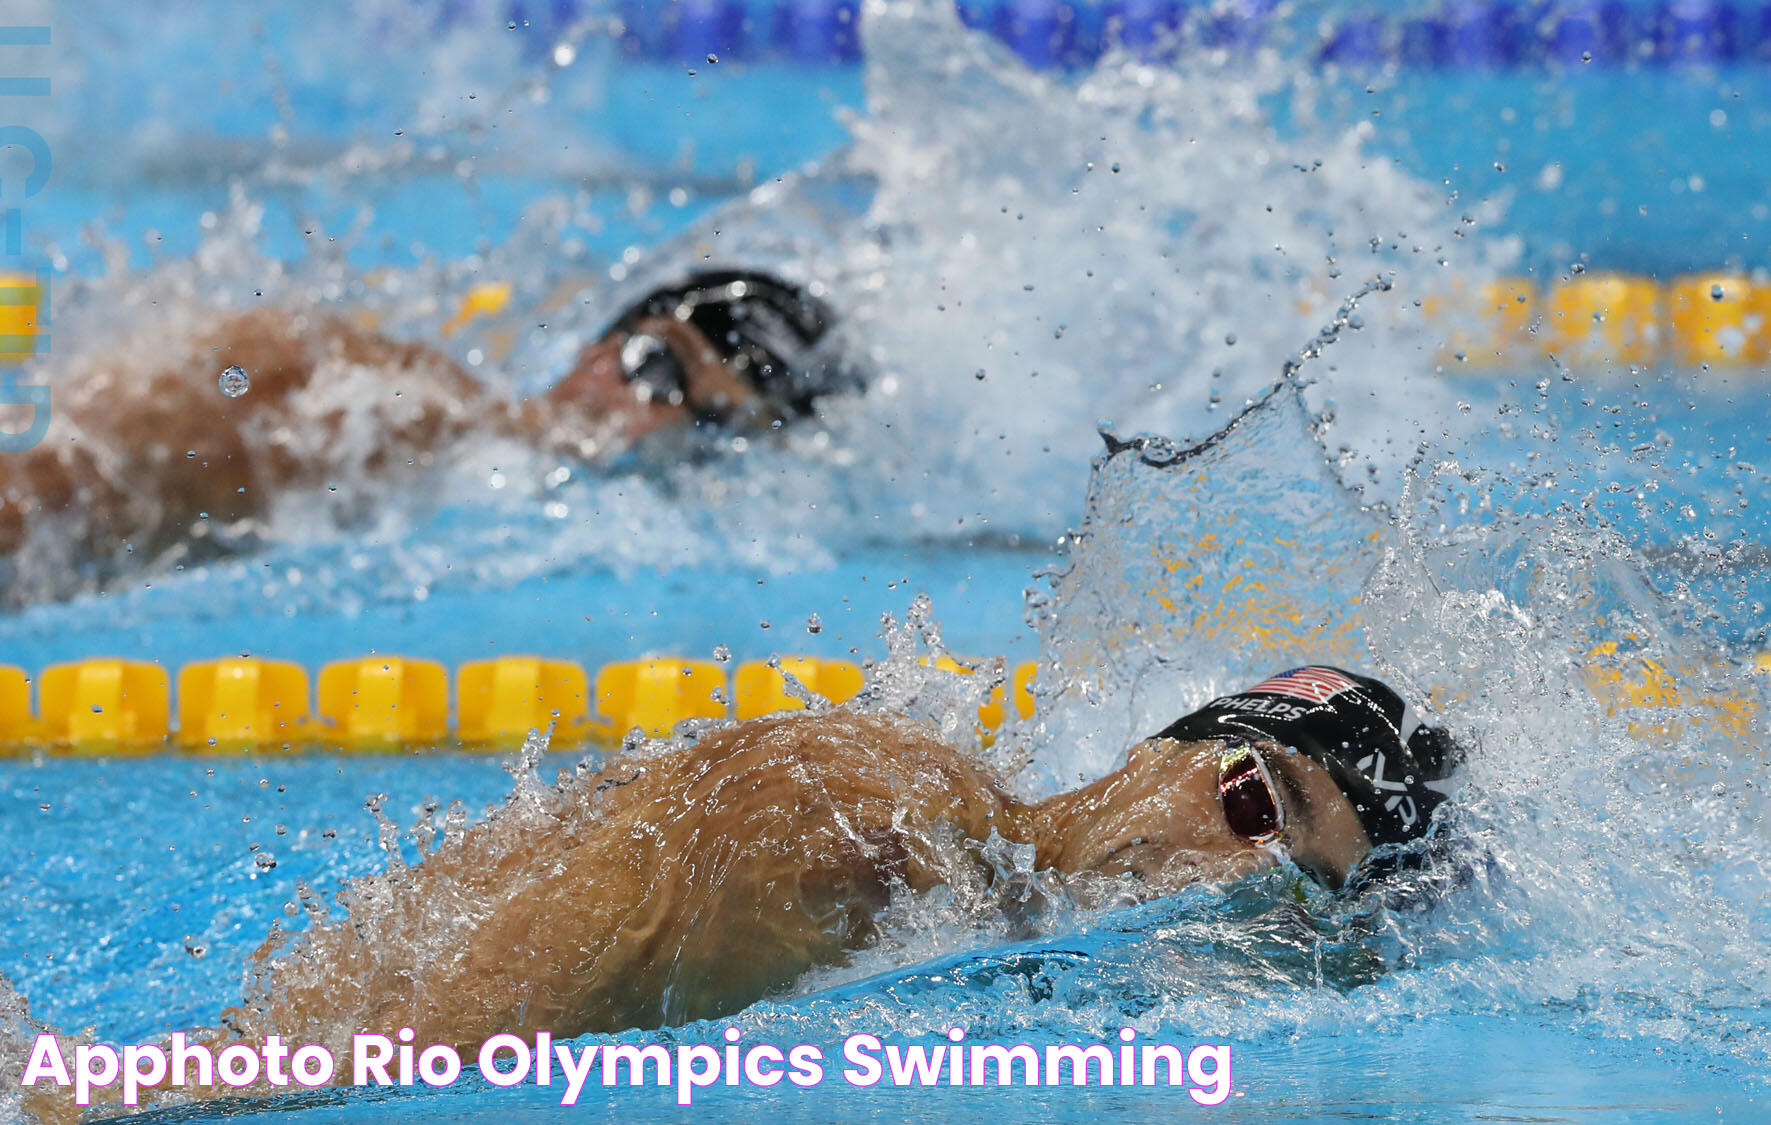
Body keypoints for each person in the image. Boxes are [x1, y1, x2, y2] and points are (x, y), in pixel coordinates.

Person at [15, 664, 1461, 1120]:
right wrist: (82, 1093)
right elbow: (413, 1052)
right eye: (1246, 799)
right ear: (1164, 748)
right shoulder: (862, 828)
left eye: (1276, 886)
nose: (1211, 868)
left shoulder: (974, 911)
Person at [0, 269, 858, 600]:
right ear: (598, 345)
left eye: (703, 419)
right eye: (654, 366)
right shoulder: (412, 407)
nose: (651, 415)